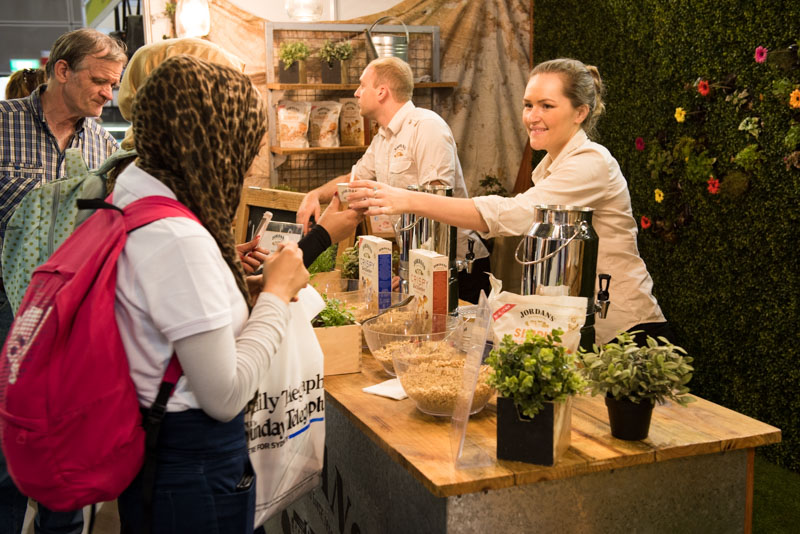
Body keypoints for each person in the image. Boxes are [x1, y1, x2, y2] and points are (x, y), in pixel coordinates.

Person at [112, 55, 309, 533]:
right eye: (245, 144)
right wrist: (277, 296)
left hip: (155, 448)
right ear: (212, 139)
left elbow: (165, 314)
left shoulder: (132, 193)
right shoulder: (178, 238)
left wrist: (253, 290)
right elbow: (224, 394)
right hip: (190, 464)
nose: (246, 161)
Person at [348, 58, 672, 346]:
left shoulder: (592, 163)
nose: (532, 116)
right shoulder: (550, 168)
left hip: (627, 331)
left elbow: (513, 214)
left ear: (580, 112)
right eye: (528, 105)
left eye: (547, 105)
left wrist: (409, 200)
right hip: (579, 327)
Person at [0, 28, 127, 534]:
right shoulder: (4, 124)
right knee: (9, 436)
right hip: (7, 304)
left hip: (73, 306)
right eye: (99, 81)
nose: (107, 95)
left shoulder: (102, 142)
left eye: (114, 85)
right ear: (61, 70)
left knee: (67, 434)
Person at [115, 37, 362, 271]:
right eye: (223, 91)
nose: (251, 168)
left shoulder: (154, 175)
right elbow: (190, 276)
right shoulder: (163, 207)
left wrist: (223, 260)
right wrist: (318, 240)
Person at [295, 57, 491, 303]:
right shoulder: (383, 137)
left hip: (456, 267)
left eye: (362, 85)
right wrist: (314, 195)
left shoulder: (426, 126)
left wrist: (410, 269)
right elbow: (352, 180)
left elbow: (436, 205)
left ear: (381, 91)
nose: (356, 93)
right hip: (421, 266)